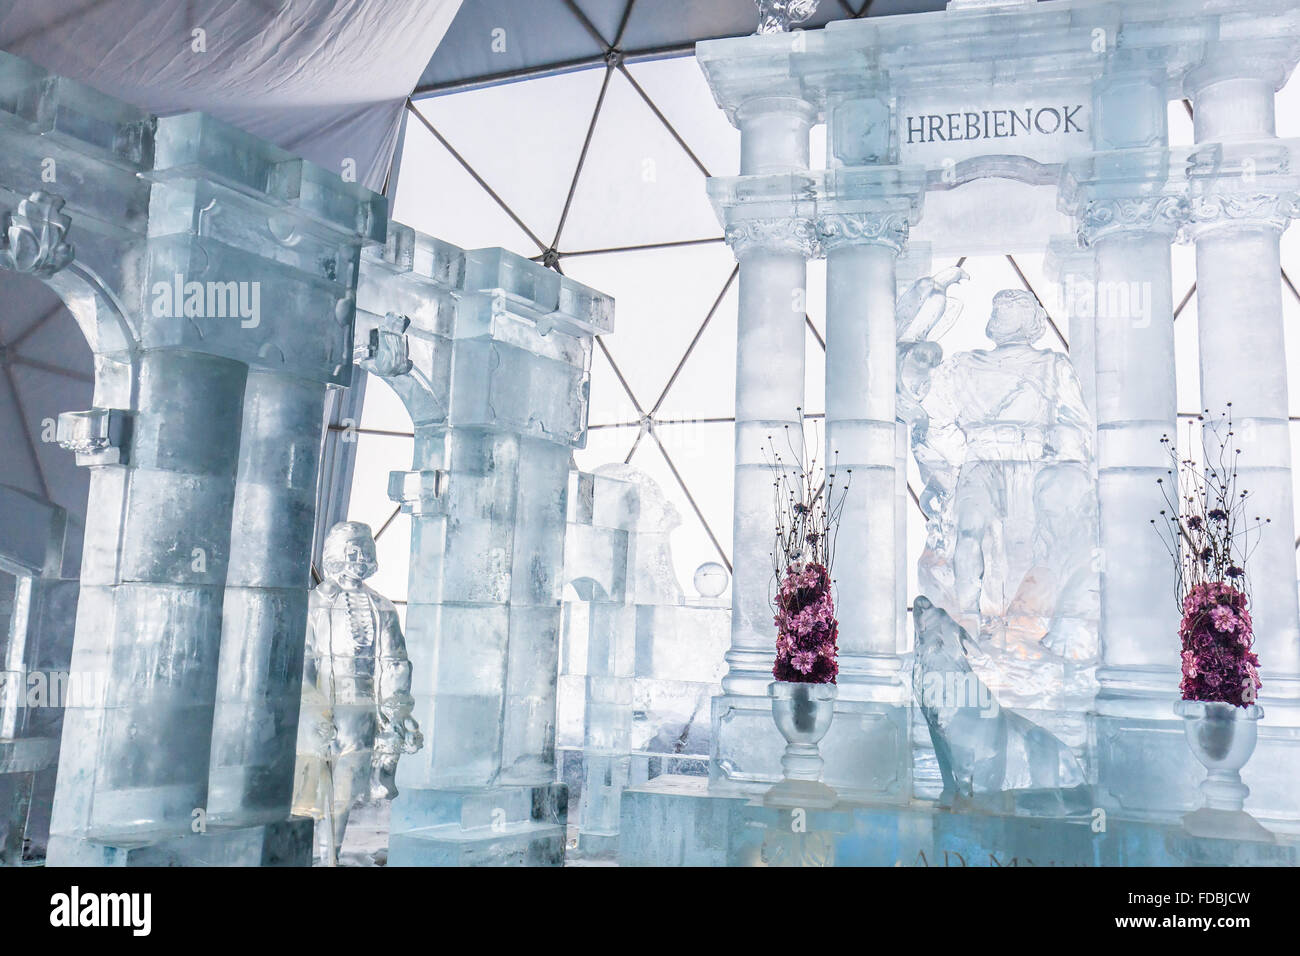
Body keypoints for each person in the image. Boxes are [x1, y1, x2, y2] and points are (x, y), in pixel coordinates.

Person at [291, 521, 423, 866]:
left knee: (346, 789)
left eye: (364, 552)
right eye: (351, 552)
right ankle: (307, 854)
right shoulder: (315, 604)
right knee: (309, 789)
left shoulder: (382, 607)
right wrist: (311, 708)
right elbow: (302, 661)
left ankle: (331, 855)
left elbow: (394, 662)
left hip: (362, 710)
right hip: (322, 708)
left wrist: (395, 711)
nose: (358, 560)